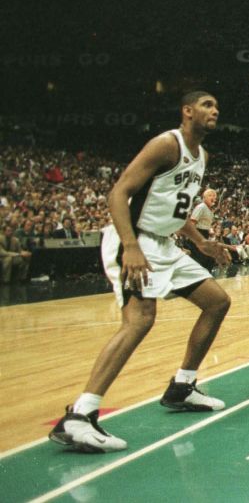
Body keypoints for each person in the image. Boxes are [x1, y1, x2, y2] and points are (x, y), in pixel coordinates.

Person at [49, 91, 232, 453]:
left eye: (216, 106)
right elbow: (118, 193)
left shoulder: (202, 156)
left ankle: (182, 387)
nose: (215, 110)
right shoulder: (166, 144)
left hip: (164, 243)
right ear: (187, 111)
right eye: (207, 105)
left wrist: (200, 242)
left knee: (217, 301)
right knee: (139, 320)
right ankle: (79, 416)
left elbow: (174, 209)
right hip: (135, 240)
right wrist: (130, 246)